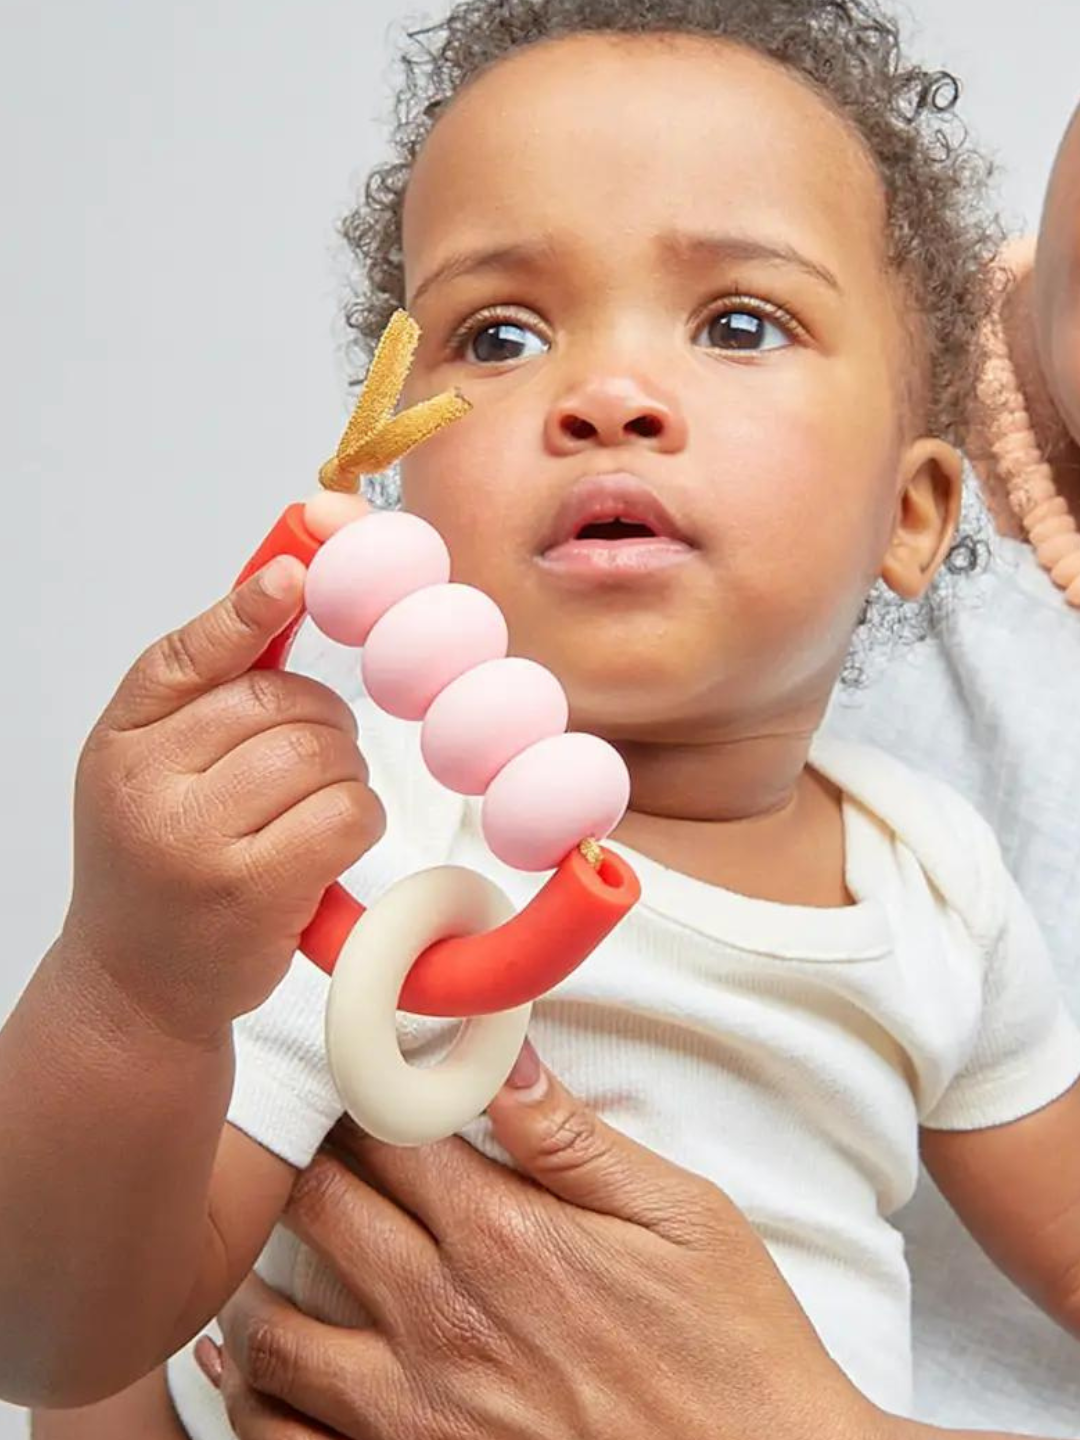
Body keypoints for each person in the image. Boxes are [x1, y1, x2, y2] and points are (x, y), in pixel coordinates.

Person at [8, 1, 1080, 1436]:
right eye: (500, 335)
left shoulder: (937, 878)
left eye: (739, 323)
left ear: (912, 514)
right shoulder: (358, 828)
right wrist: (130, 990)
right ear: (400, 478)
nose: (605, 397)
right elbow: (58, 1344)